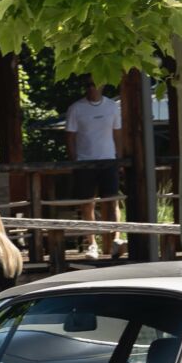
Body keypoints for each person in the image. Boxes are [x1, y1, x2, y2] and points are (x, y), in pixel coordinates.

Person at [64, 79, 123, 259]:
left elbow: (117, 133)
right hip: (85, 161)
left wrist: (118, 158)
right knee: (87, 202)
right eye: (87, 84)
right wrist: (75, 160)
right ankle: (92, 244)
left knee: (112, 200)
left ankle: (117, 239)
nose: (90, 88)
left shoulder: (113, 106)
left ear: (102, 85)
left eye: (93, 84)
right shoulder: (76, 108)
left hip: (108, 160)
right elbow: (70, 137)